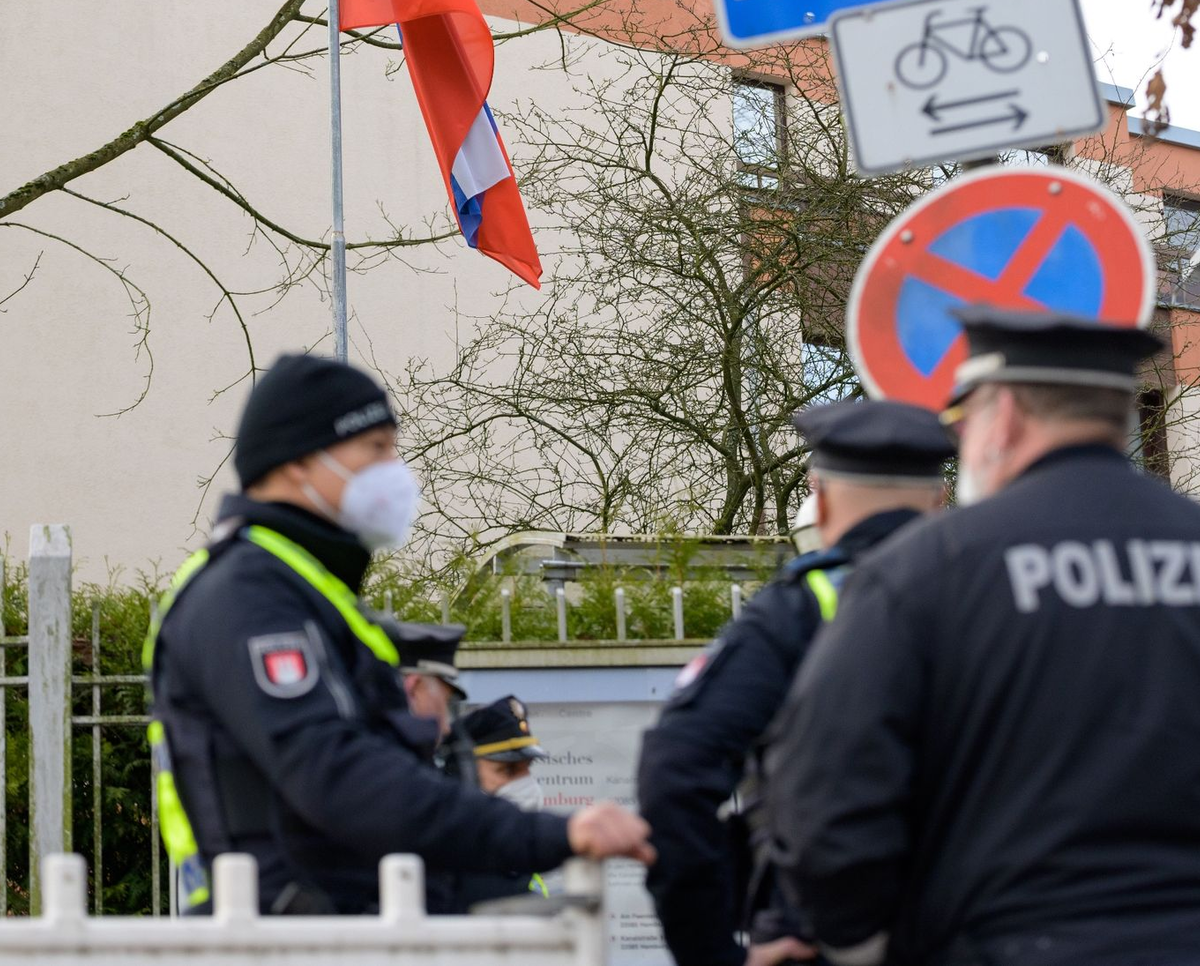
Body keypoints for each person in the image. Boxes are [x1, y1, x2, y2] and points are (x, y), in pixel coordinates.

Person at [763, 306, 1200, 966]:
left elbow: (826, 791)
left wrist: (862, 942)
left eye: (963, 419)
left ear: (1006, 416)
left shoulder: (923, 570)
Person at [143, 353, 653, 916]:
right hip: (290, 933)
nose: (396, 468)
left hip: (341, 924)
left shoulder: (304, 587)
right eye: (377, 448)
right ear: (300, 462)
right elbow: (340, 779)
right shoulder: (248, 595)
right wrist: (547, 835)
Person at [637, 399, 954, 966]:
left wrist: (711, 954)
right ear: (939, 500)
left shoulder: (794, 612)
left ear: (819, 496)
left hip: (820, 937)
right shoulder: (1009, 602)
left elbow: (675, 776)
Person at [443, 694, 552, 909]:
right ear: (463, 776)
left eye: (527, 769)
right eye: (508, 770)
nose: (526, 784)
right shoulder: (448, 865)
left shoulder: (517, 854)